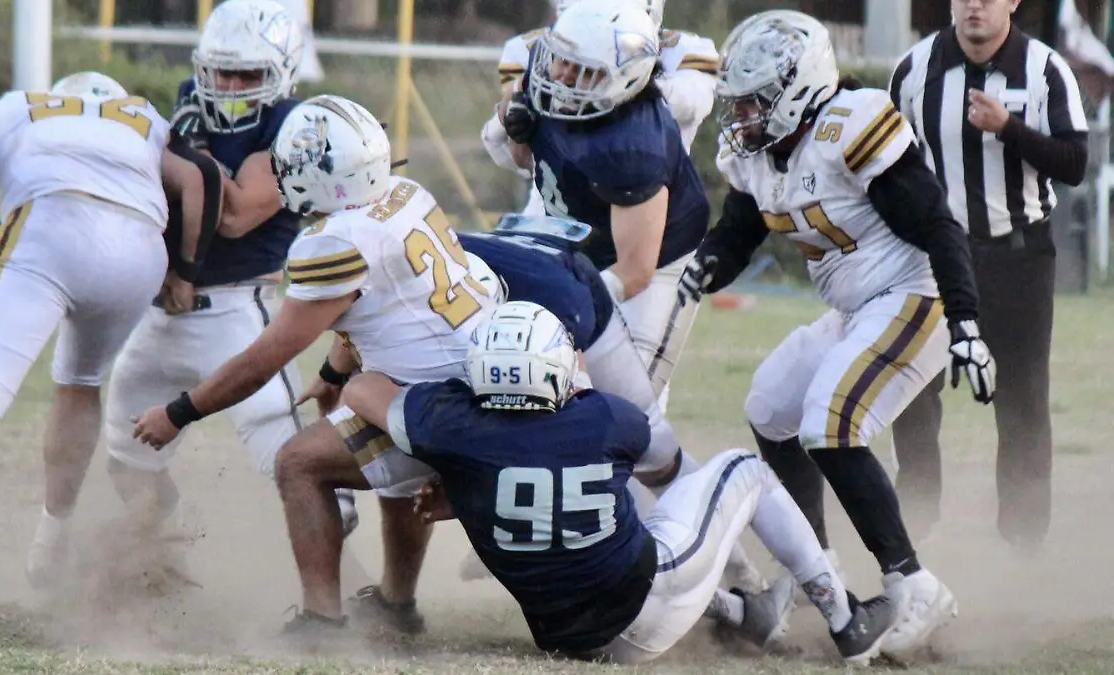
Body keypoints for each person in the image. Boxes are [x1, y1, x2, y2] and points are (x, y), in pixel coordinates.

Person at [677, 11, 996, 663]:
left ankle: (914, 580)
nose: (740, 117)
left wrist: (965, 320)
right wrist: (700, 268)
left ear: (797, 88)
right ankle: (811, 567)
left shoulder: (848, 124)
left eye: (754, 101)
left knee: (832, 420)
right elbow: (741, 229)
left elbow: (939, 223)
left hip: (915, 295)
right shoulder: (763, 154)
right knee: (771, 404)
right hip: (857, 309)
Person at [338, 301, 900, 666]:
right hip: (646, 608)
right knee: (740, 469)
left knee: (616, 534)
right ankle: (847, 619)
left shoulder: (454, 428)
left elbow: (362, 388)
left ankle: (741, 615)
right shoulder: (606, 419)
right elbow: (567, 450)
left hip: (565, 636)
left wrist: (460, 478)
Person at [130, 94, 498, 636]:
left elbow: (262, 362)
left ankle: (321, 621)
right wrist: (331, 375)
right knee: (379, 448)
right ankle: (396, 608)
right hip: (474, 385)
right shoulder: (406, 194)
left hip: (439, 406)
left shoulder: (334, 242)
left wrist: (179, 413)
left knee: (298, 462)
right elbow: (390, 310)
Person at [33, 0, 325, 588]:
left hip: (243, 315)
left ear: (281, 72)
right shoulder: (186, 104)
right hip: (161, 312)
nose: (232, 86)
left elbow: (238, 213)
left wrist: (185, 156)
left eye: (248, 74)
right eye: (222, 71)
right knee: (129, 457)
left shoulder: (296, 124)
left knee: (296, 463)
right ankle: (159, 557)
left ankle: (342, 592)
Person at [0, 70, 214, 581]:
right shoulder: (141, 117)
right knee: (79, 383)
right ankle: (51, 543)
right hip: (138, 250)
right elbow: (200, 177)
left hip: (50, 227)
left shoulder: (24, 107)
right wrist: (185, 271)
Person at [450, 218, 764, 592]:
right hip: (545, 309)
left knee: (633, 453)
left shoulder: (554, 306)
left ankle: (745, 577)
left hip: (573, 311)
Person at [888, 0, 1090, 548]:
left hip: (1018, 256)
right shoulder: (913, 69)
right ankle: (914, 527)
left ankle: (1023, 548)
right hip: (932, 256)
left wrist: (1009, 129)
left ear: (1013, 3)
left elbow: (1074, 163)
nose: (974, 4)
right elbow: (886, 165)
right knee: (913, 392)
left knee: (1022, 401)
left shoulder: (1046, 70)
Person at [500, 0, 710, 406]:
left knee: (627, 407)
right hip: (579, 240)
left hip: (660, 263)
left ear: (621, 79)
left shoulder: (632, 146)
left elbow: (635, 271)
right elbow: (526, 159)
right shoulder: (551, 76)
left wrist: (570, 316)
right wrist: (515, 127)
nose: (559, 74)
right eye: (559, 59)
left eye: (581, 70)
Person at [483, 0, 720, 217]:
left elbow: (691, 105)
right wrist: (514, 120)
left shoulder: (681, 53)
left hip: (648, 214)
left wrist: (616, 86)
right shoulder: (538, 50)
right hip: (555, 214)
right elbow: (507, 151)